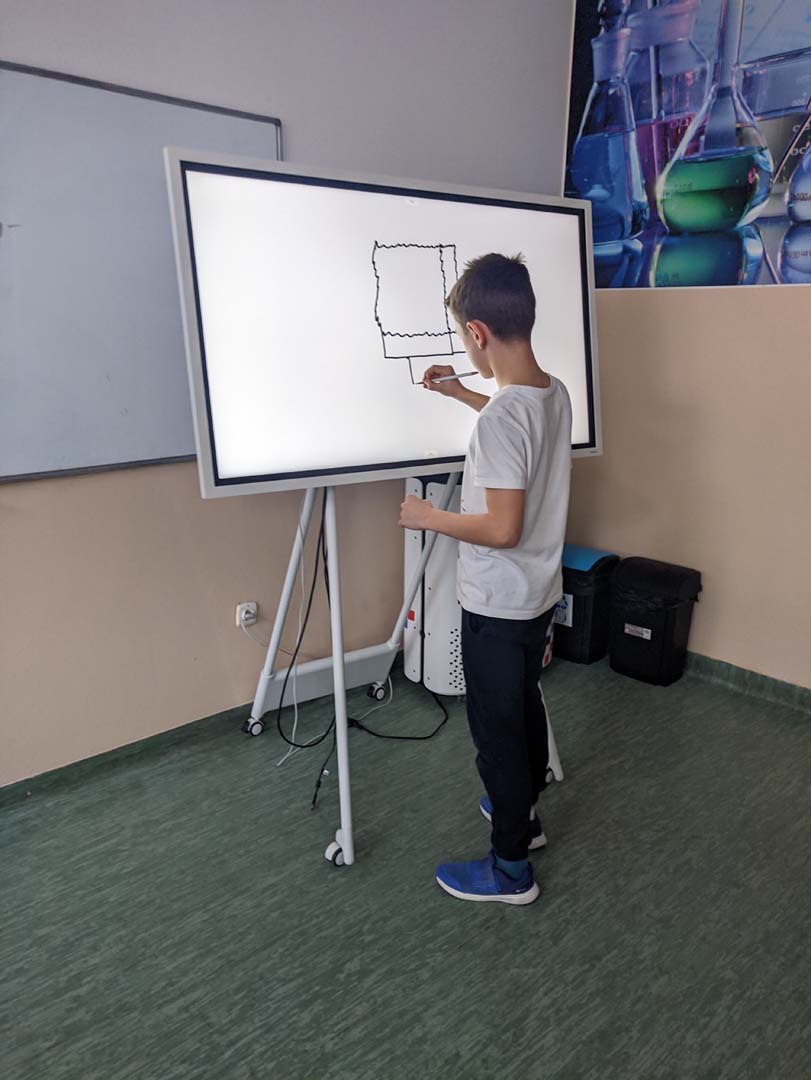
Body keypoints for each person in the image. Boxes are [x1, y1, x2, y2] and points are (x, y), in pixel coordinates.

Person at [398, 253, 572, 905]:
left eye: (463, 339)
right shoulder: (551, 392)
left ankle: (510, 869)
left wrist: (429, 517)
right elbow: (508, 423)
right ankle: (523, 816)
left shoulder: (503, 418)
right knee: (521, 707)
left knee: (497, 734)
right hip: (535, 596)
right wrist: (459, 394)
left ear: (476, 333)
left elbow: (502, 528)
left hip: (497, 604)